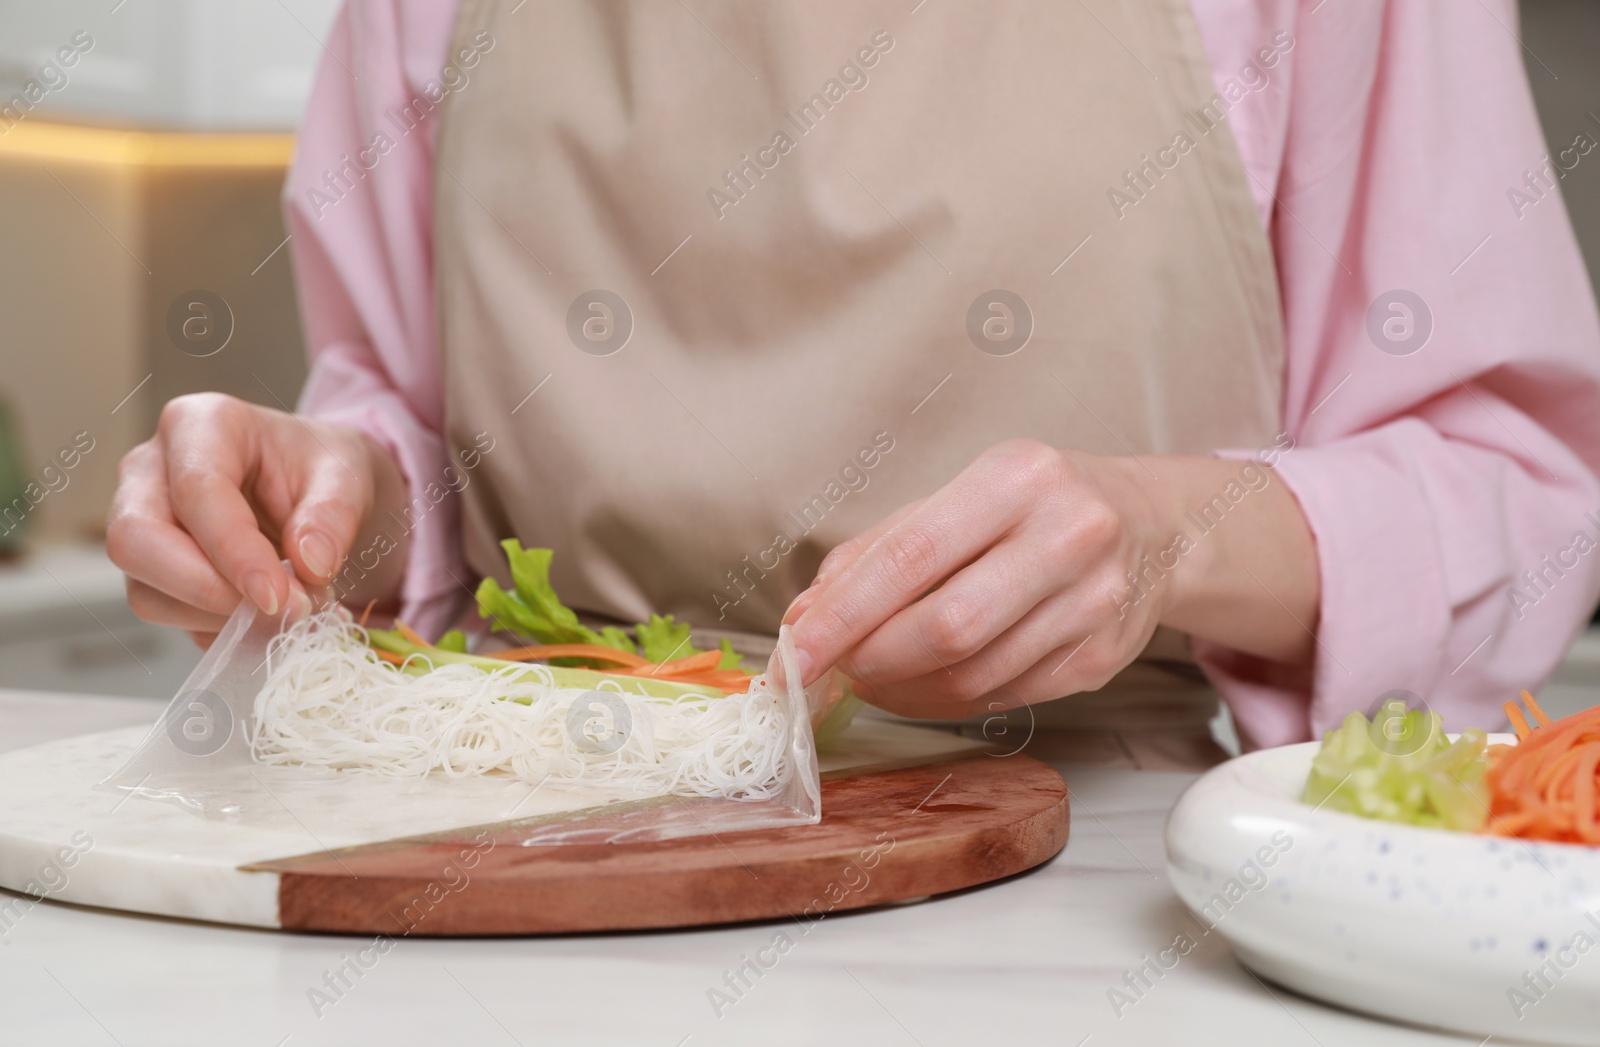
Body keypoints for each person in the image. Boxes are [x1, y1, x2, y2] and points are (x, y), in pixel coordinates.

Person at [107, 0, 1600, 768]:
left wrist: (1167, 535)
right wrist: (332, 510)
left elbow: (1525, 492)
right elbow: (424, 452)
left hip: (1085, 904)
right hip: (510, 854)